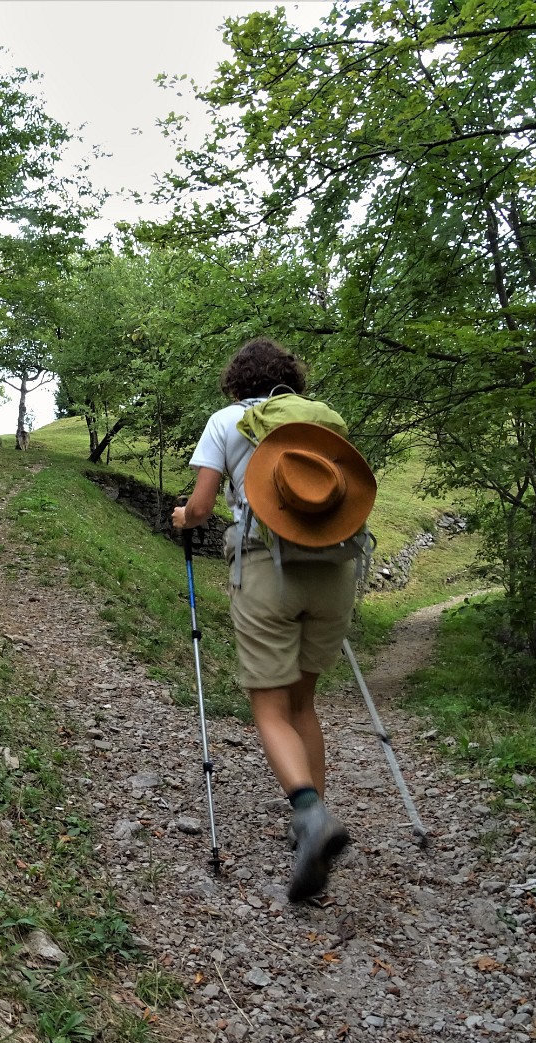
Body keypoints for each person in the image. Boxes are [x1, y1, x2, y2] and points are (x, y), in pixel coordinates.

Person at [171, 337, 375, 902]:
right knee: (304, 702)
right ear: (291, 381)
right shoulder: (319, 427)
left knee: (269, 704)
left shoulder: (225, 423)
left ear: (237, 381)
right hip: (334, 569)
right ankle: (309, 822)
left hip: (267, 570)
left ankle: (310, 815)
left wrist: (181, 515)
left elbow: (204, 508)